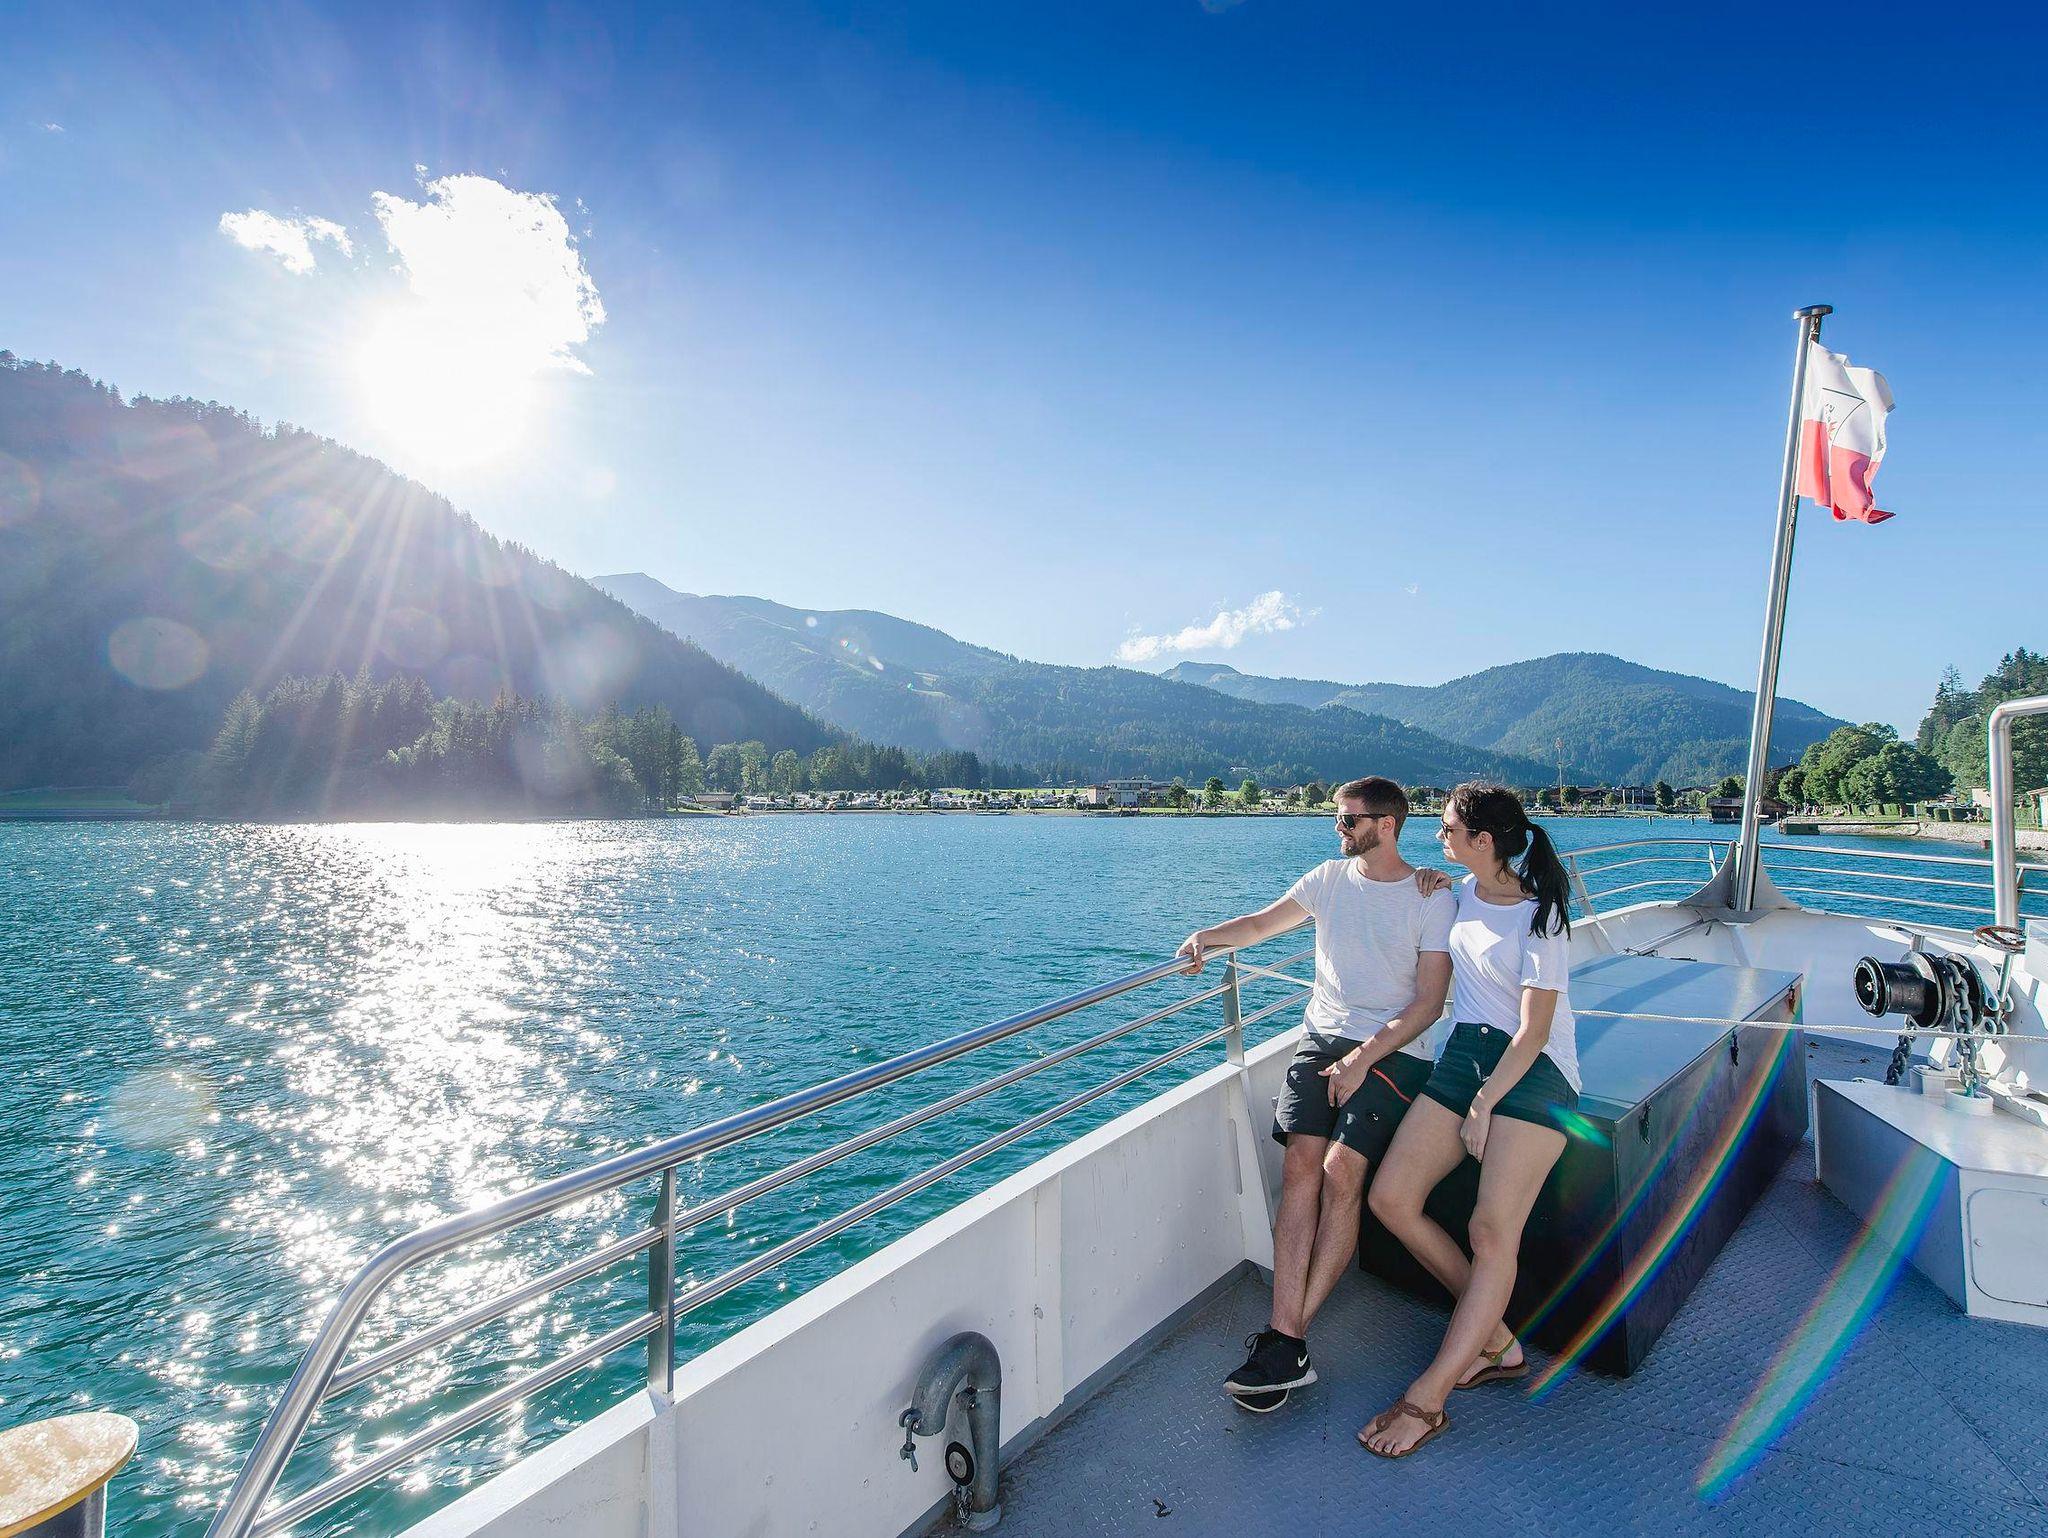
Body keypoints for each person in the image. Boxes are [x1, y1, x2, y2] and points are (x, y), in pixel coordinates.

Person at [1176, 776, 1454, 1413]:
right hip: (1321, 1038)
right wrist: (1206, 936)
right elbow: (1262, 924)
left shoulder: (1432, 897)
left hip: (1395, 1049)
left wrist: (1361, 1058)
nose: (1338, 828)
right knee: (1300, 1166)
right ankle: (1288, 1341)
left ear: (1386, 825)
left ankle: (1286, 1338)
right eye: (1338, 818)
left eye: (1349, 819)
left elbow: (1429, 1004)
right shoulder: (1328, 879)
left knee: (1339, 1171)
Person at [1358, 782, 1580, 1458]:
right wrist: (1428, 879)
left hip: (1532, 1072)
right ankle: (1495, 1340)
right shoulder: (1457, 892)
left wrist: (1484, 1104)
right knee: (1391, 1197)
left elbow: (1534, 1032)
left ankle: (1428, 1401)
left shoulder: (1542, 917)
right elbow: (1422, 897)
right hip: (1464, 1056)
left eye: (1448, 829)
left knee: (1490, 1231)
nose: (1439, 837)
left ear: (1483, 840)